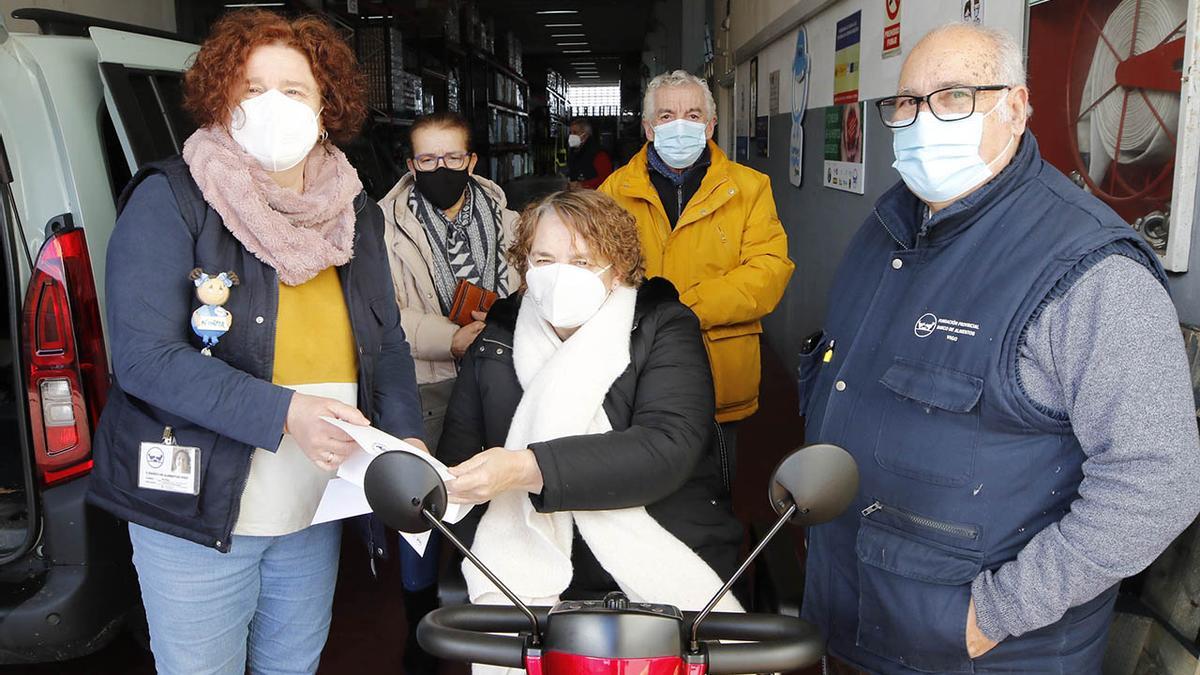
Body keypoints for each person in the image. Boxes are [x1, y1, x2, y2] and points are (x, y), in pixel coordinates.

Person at [799, 23, 1200, 675]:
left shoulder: (1087, 269)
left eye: (954, 96)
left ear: (1014, 108)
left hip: (983, 653)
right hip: (850, 623)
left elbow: (1157, 481)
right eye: (906, 102)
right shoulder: (883, 232)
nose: (922, 119)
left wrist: (995, 614)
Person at [87, 10, 426, 674]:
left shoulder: (350, 206)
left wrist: (407, 436)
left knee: (292, 665)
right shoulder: (172, 198)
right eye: (251, 88)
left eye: (294, 90)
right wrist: (287, 412)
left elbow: (385, 343)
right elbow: (145, 358)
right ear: (223, 103)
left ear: (326, 106)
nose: (273, 105)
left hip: (311, 503)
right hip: (199, 507)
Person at [439, 190, 743, 648]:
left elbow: (668, 447)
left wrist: (527, 469)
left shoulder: (664, 326)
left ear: (617, 269)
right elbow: (457, 460)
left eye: (581, 262)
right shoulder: (495, 341)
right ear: (524, 266)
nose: (559, 275)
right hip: (528, 572)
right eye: (543, 258)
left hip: (666, 546)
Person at [376, 111, 519, 674]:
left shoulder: (510, 222)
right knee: (423, 505)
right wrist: (452, 337)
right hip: (427, 380)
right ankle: (420, 624)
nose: (441, 168)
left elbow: (535, 286)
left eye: (452, 157)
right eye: (428, 160)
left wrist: (502, 321)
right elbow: (383, 315)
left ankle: (499, 608)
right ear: (411, 165)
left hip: (502, 374)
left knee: (500, 491)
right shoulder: (382, 228)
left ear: (471, 161)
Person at [599, 70, 794, 481]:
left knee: (716, 486)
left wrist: (685, 308)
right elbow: (595, 270)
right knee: (638, 485)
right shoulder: (613, 191)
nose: (681, 124)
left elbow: (768, 272)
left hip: (719, 368)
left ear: (710, 125)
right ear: (649, 128)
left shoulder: (749, 188)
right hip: (632, 366)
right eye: (667, 115)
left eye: (693, 114)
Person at [566, 118, 612, 189]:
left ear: (585, 135)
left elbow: (607, 179)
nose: (571, 136)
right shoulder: (574, 152)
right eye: (570, 133)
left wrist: (583, 185)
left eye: (575, 132)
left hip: (593, 196)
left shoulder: (599, 154)